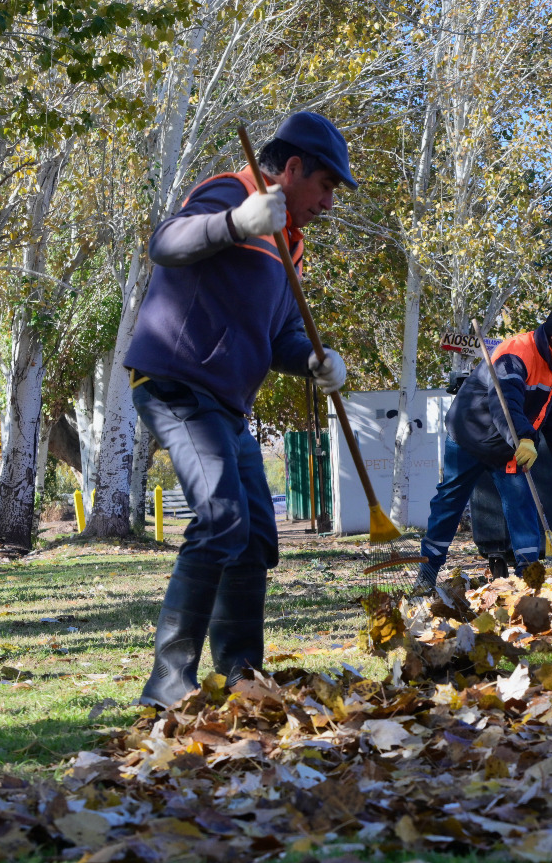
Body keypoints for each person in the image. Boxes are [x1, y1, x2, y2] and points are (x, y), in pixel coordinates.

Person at [124, 111, 356, 708]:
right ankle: (167, 685)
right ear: (295, 168)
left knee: (253, 535)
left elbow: (280, 335)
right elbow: (165, 243)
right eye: (327, 186)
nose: (329, 203)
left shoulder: (291, 246)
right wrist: (234, 223)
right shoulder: (232, 191)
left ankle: (241, 677)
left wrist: (314, 359)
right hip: (175, 382)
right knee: (221, 517)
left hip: (226, 404)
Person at [414, 307, 552, 593]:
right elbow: (503, 401)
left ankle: (528, 578)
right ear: (550, 333)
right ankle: (427, 573)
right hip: (470, 434)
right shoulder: (516, 352)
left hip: (510, 444)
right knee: (450, 502)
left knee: (522, 503)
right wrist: (524, 438)